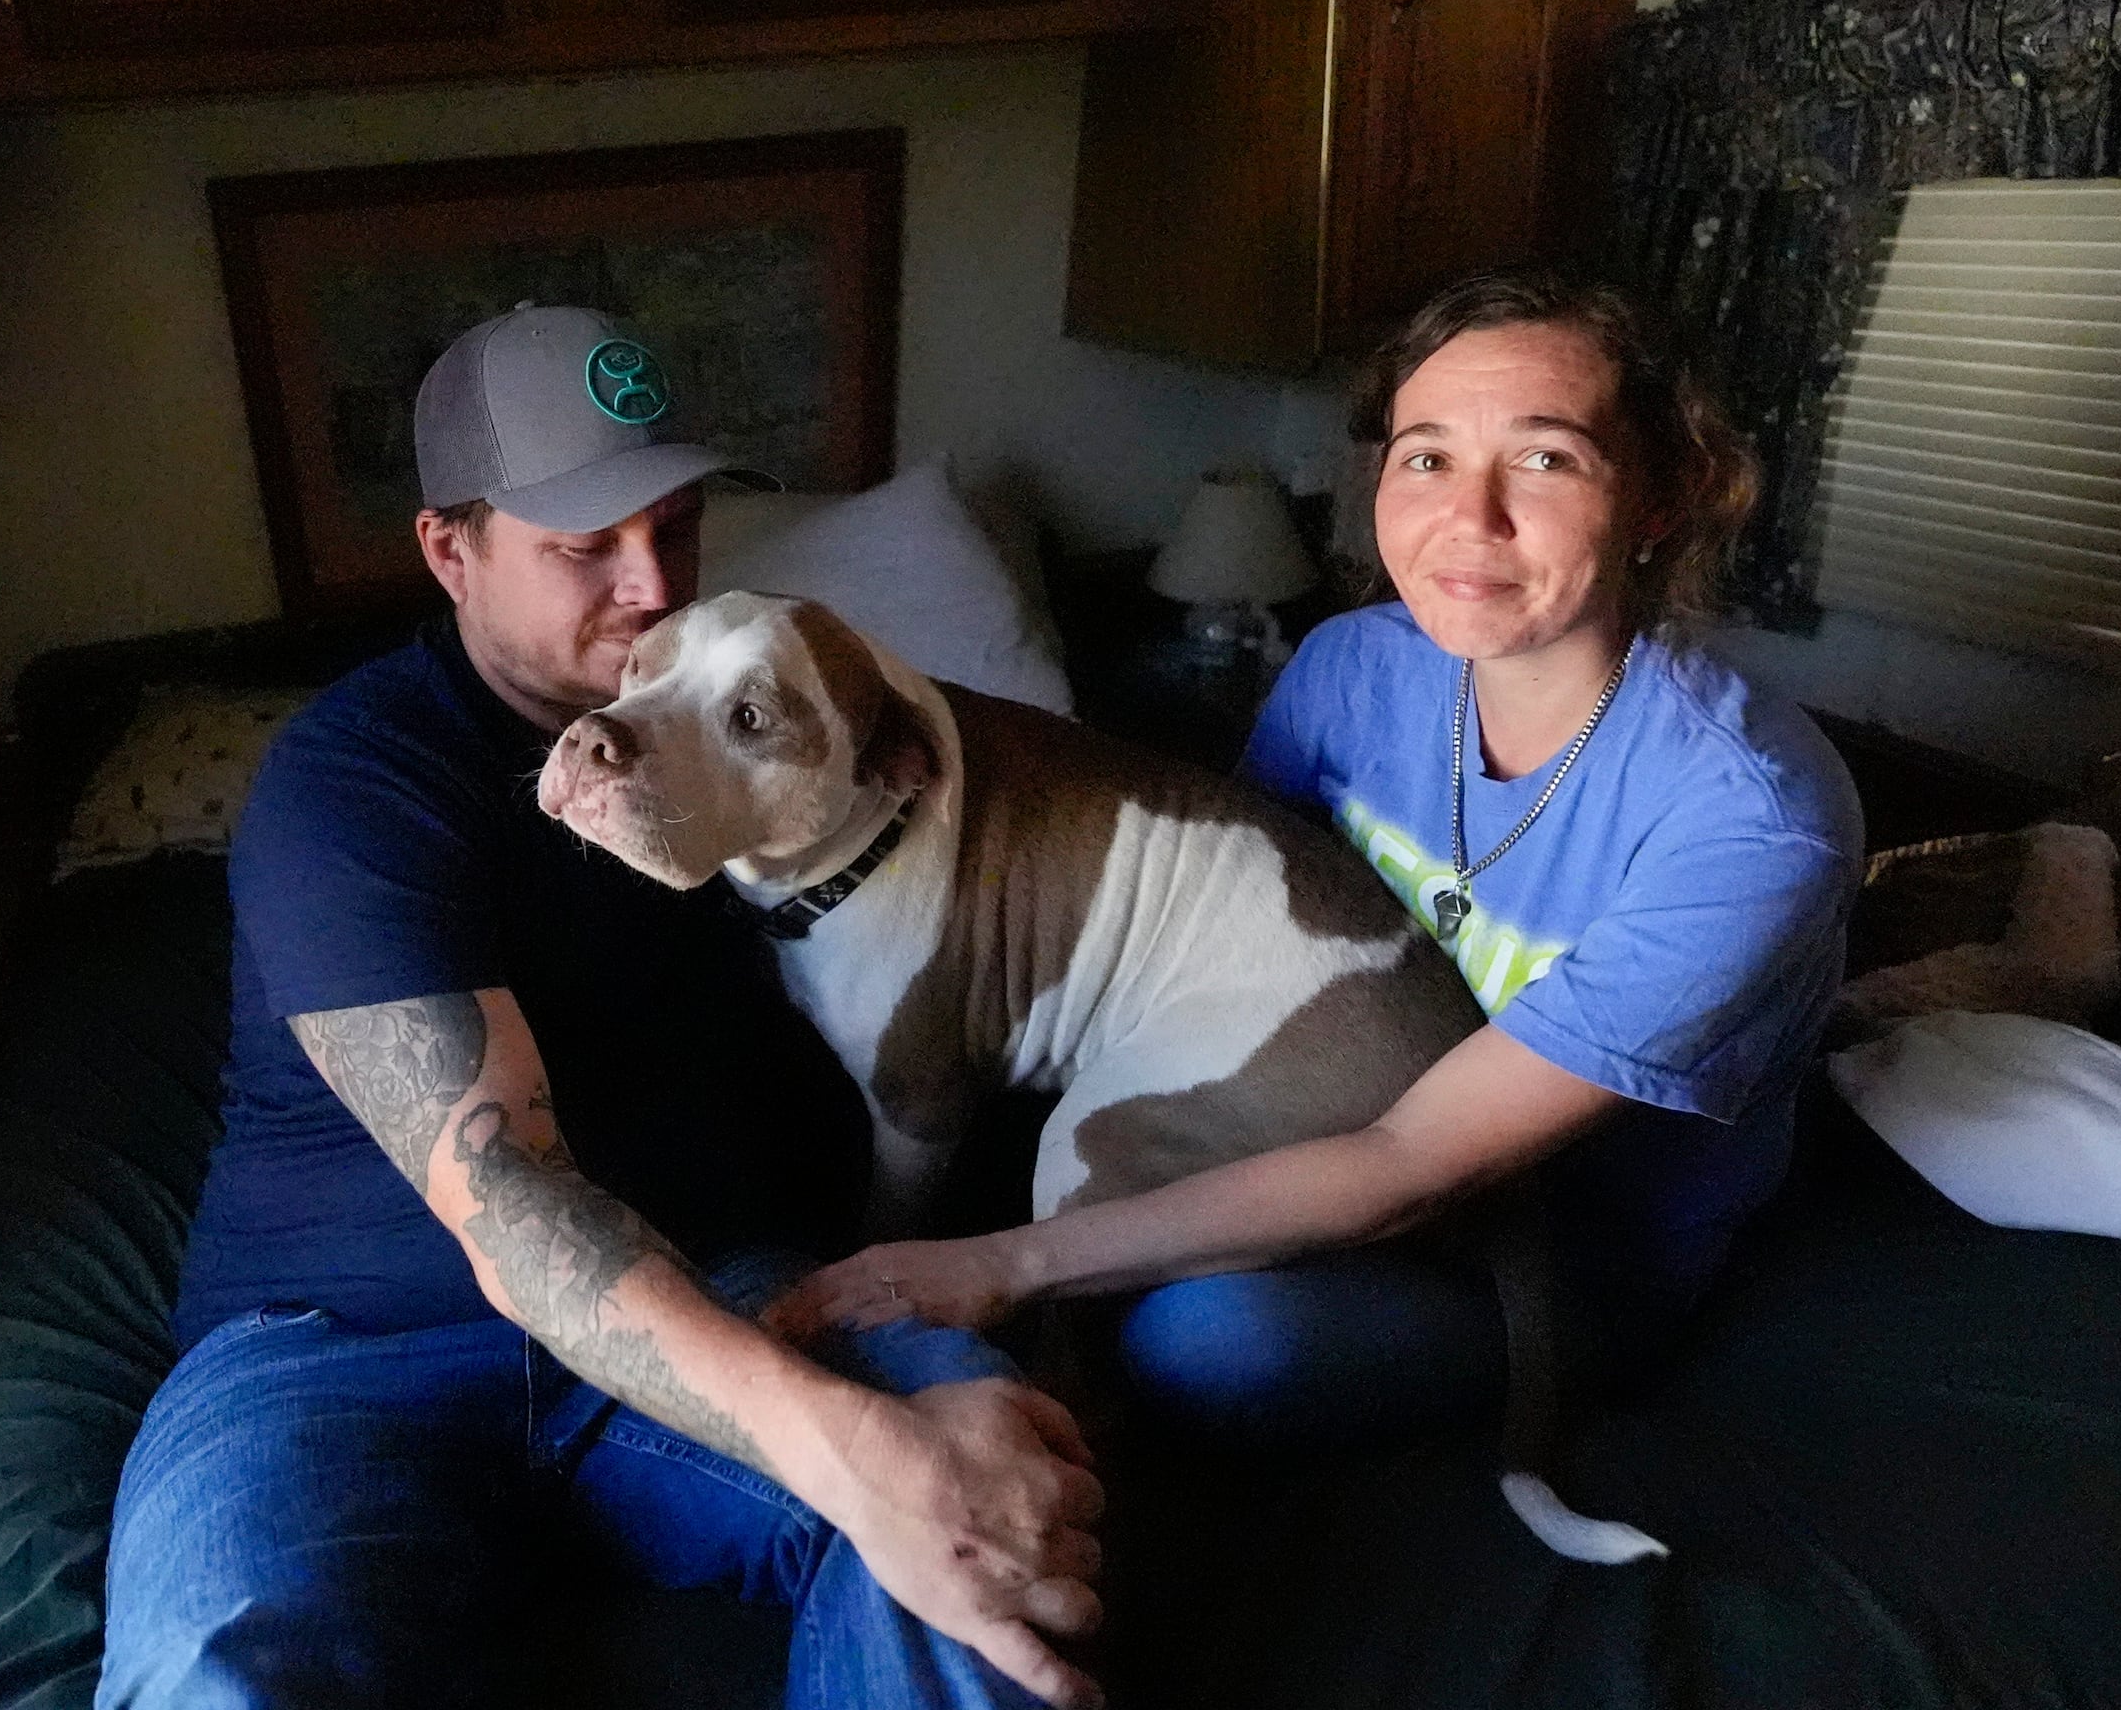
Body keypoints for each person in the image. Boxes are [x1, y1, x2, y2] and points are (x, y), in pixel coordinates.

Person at [97, 303, 1107, 1710]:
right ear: (450, 553)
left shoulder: (754, 724)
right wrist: (839, 1450)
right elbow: (506, 1193)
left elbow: (982, 806)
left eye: (676, 527)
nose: (652, 585)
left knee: (993, 1532)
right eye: (584, 546)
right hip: (340, 1351)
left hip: (727, 1283)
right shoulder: (352, 781)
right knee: (223, 1668)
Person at [773, 270, 1863, 1448]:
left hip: (1547, 1254)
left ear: (1664, 496)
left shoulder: (1754, 820)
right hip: (1312, 1122)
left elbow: (1421, 1159)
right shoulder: (1350, 669)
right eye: (1426, 456)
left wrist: (1008, 1262)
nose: (1469, 518)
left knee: (1207, 1339)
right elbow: (1217, 948)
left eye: (1546, 460)